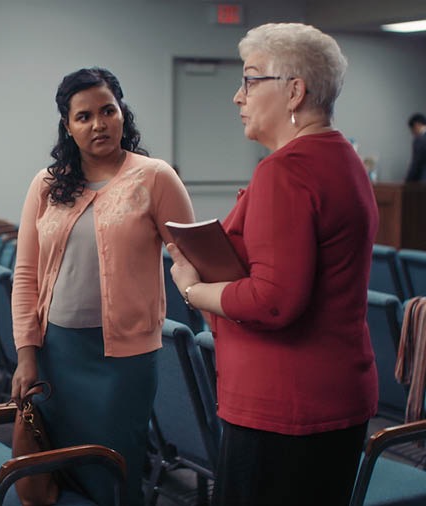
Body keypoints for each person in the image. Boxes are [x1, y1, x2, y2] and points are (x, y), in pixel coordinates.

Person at [167, 23, 378, 506]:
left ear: (294, 92)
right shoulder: (342, 157)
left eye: (250, 79)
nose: (237, 97)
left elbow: (275, 300)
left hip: (286, 405)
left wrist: (191, 288)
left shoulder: (286, 171)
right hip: (329, 396)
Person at [10, 67, 194, 506]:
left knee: (114, 468)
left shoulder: (154, 177)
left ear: (122, 114)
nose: (99, 124)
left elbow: (192, 256)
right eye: (84, 116)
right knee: (63, 468)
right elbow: (26, 274)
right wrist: (27, 354)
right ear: (68, 126)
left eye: (108, 110)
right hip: (58, 354)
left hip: (125, 361)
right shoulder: (47, 184)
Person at [404, 113, 426, 182]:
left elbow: (416, 164)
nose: (413, 133)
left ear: (416, 125)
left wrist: (407, 181)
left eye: (412, 130)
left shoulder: (420, 140)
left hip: (422, 181)